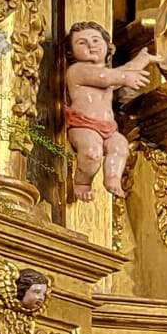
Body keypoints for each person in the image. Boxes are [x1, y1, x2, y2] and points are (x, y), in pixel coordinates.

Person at [63, 22, 154, 203]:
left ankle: (112, 178)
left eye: (96, 40)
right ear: (71, 52)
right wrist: (125, 77)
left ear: (107, 45)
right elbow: (105, 78)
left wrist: (142, 60)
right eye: (82, 43)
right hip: (84, 124)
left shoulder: (109, 72)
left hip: (108, 127)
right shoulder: (76, 70)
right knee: (92, 153)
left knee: (120, 146)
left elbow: (119, 73)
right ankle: (83, 182)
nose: (91, 45)